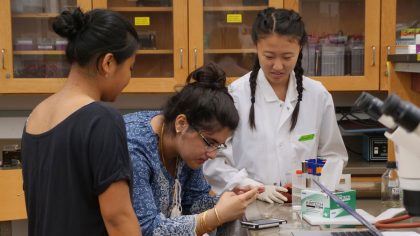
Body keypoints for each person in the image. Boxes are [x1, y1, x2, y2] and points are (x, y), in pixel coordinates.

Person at [204, 8, 348, 204]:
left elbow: (332, 155)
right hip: (246, 206)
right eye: (269, 56)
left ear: (300, 49)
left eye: (287, 57)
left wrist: (306, 182)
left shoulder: (317, 95)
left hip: (304, 206)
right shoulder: (236, 96)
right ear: (256, 47)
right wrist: (252, 186)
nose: (278, 66)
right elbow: (214, 161)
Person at [21, 8, 141, 236]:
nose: (129, 79)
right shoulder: (101, 119)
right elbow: (118, 218)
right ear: (108, 63)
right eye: (130, 68)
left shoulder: (35, 116)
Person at [124, 63, 260, 236]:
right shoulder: (135, 148)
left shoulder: (184, 147)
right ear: (182, 123)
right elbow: (147, 230)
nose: (212, 154)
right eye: (209, 142)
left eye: (218, 145)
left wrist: (229, 200)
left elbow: (192, 202)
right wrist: (216, 216)